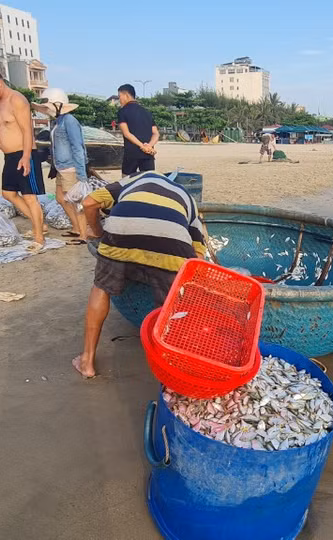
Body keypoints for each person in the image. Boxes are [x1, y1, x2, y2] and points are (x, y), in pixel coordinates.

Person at [75, 172, 206, 378]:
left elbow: (89, 203)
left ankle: (87, 361)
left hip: (120, 234)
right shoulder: (188, 199)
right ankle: (173, 364)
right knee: (171, 307)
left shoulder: (134, 180)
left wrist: (99, 232)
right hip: (171, 242)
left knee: (101, 287)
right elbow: (198, 255)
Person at [0, 66, 45, 245]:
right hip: (10, 156)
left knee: (30, 196)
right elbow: (0, 130)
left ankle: (39, 237)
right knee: (8, 193)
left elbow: (27, 131)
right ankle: (40, 224)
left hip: (25, 153)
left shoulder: (17, 100)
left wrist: (26, 156)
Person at [34, 87, 90, 238]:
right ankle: (77, 228)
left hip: (71, 168)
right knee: (61, 199)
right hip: (61, 167)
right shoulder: (58, 122)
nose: (46, 110)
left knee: (76, 202)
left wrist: (81, 175)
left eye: (47, 107)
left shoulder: (70, 121)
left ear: (58, 105)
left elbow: (77, 147)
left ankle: (83, 235)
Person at [115, 84, 158, 175]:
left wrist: (142, 146)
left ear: (126, 95)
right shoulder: (147, 112)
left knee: (127, 182)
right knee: (148, 181)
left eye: (120, 96)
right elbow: (156, 133)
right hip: (148, 154)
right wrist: (149, 146)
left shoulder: (123, 111)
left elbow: (127, 133)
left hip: (131, 153)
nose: (119, 100)